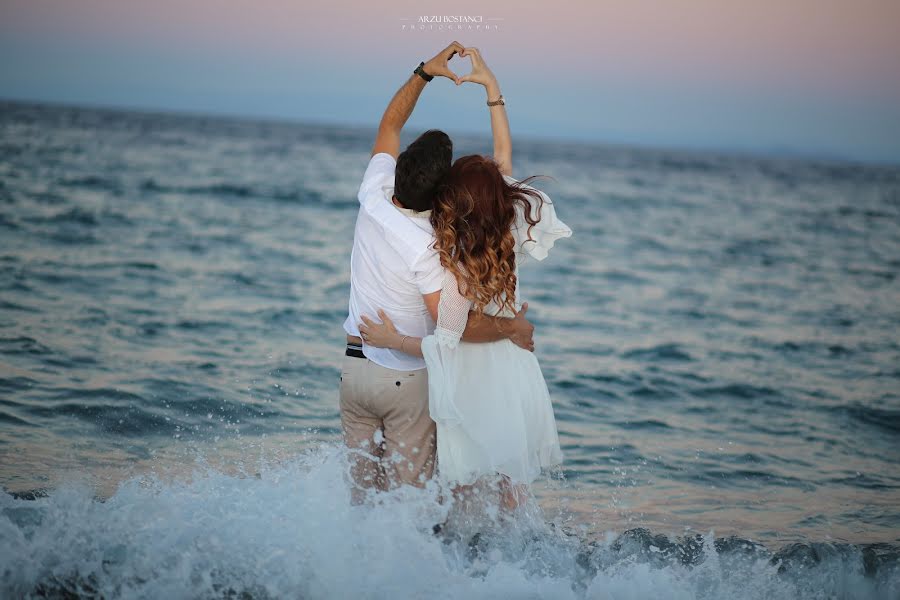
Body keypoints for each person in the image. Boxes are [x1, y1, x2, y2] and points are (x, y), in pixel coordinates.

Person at [359, 47, 571, 511]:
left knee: (462, 483)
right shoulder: (508, 228)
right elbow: (504, 157)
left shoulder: (452, 254)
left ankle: (463, 569)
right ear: (499, 197)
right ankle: (519, 566)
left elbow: (448, 338)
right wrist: (491, 87)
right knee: (509, 480)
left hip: (468, 376)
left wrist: (395, 339)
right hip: (513, 370)